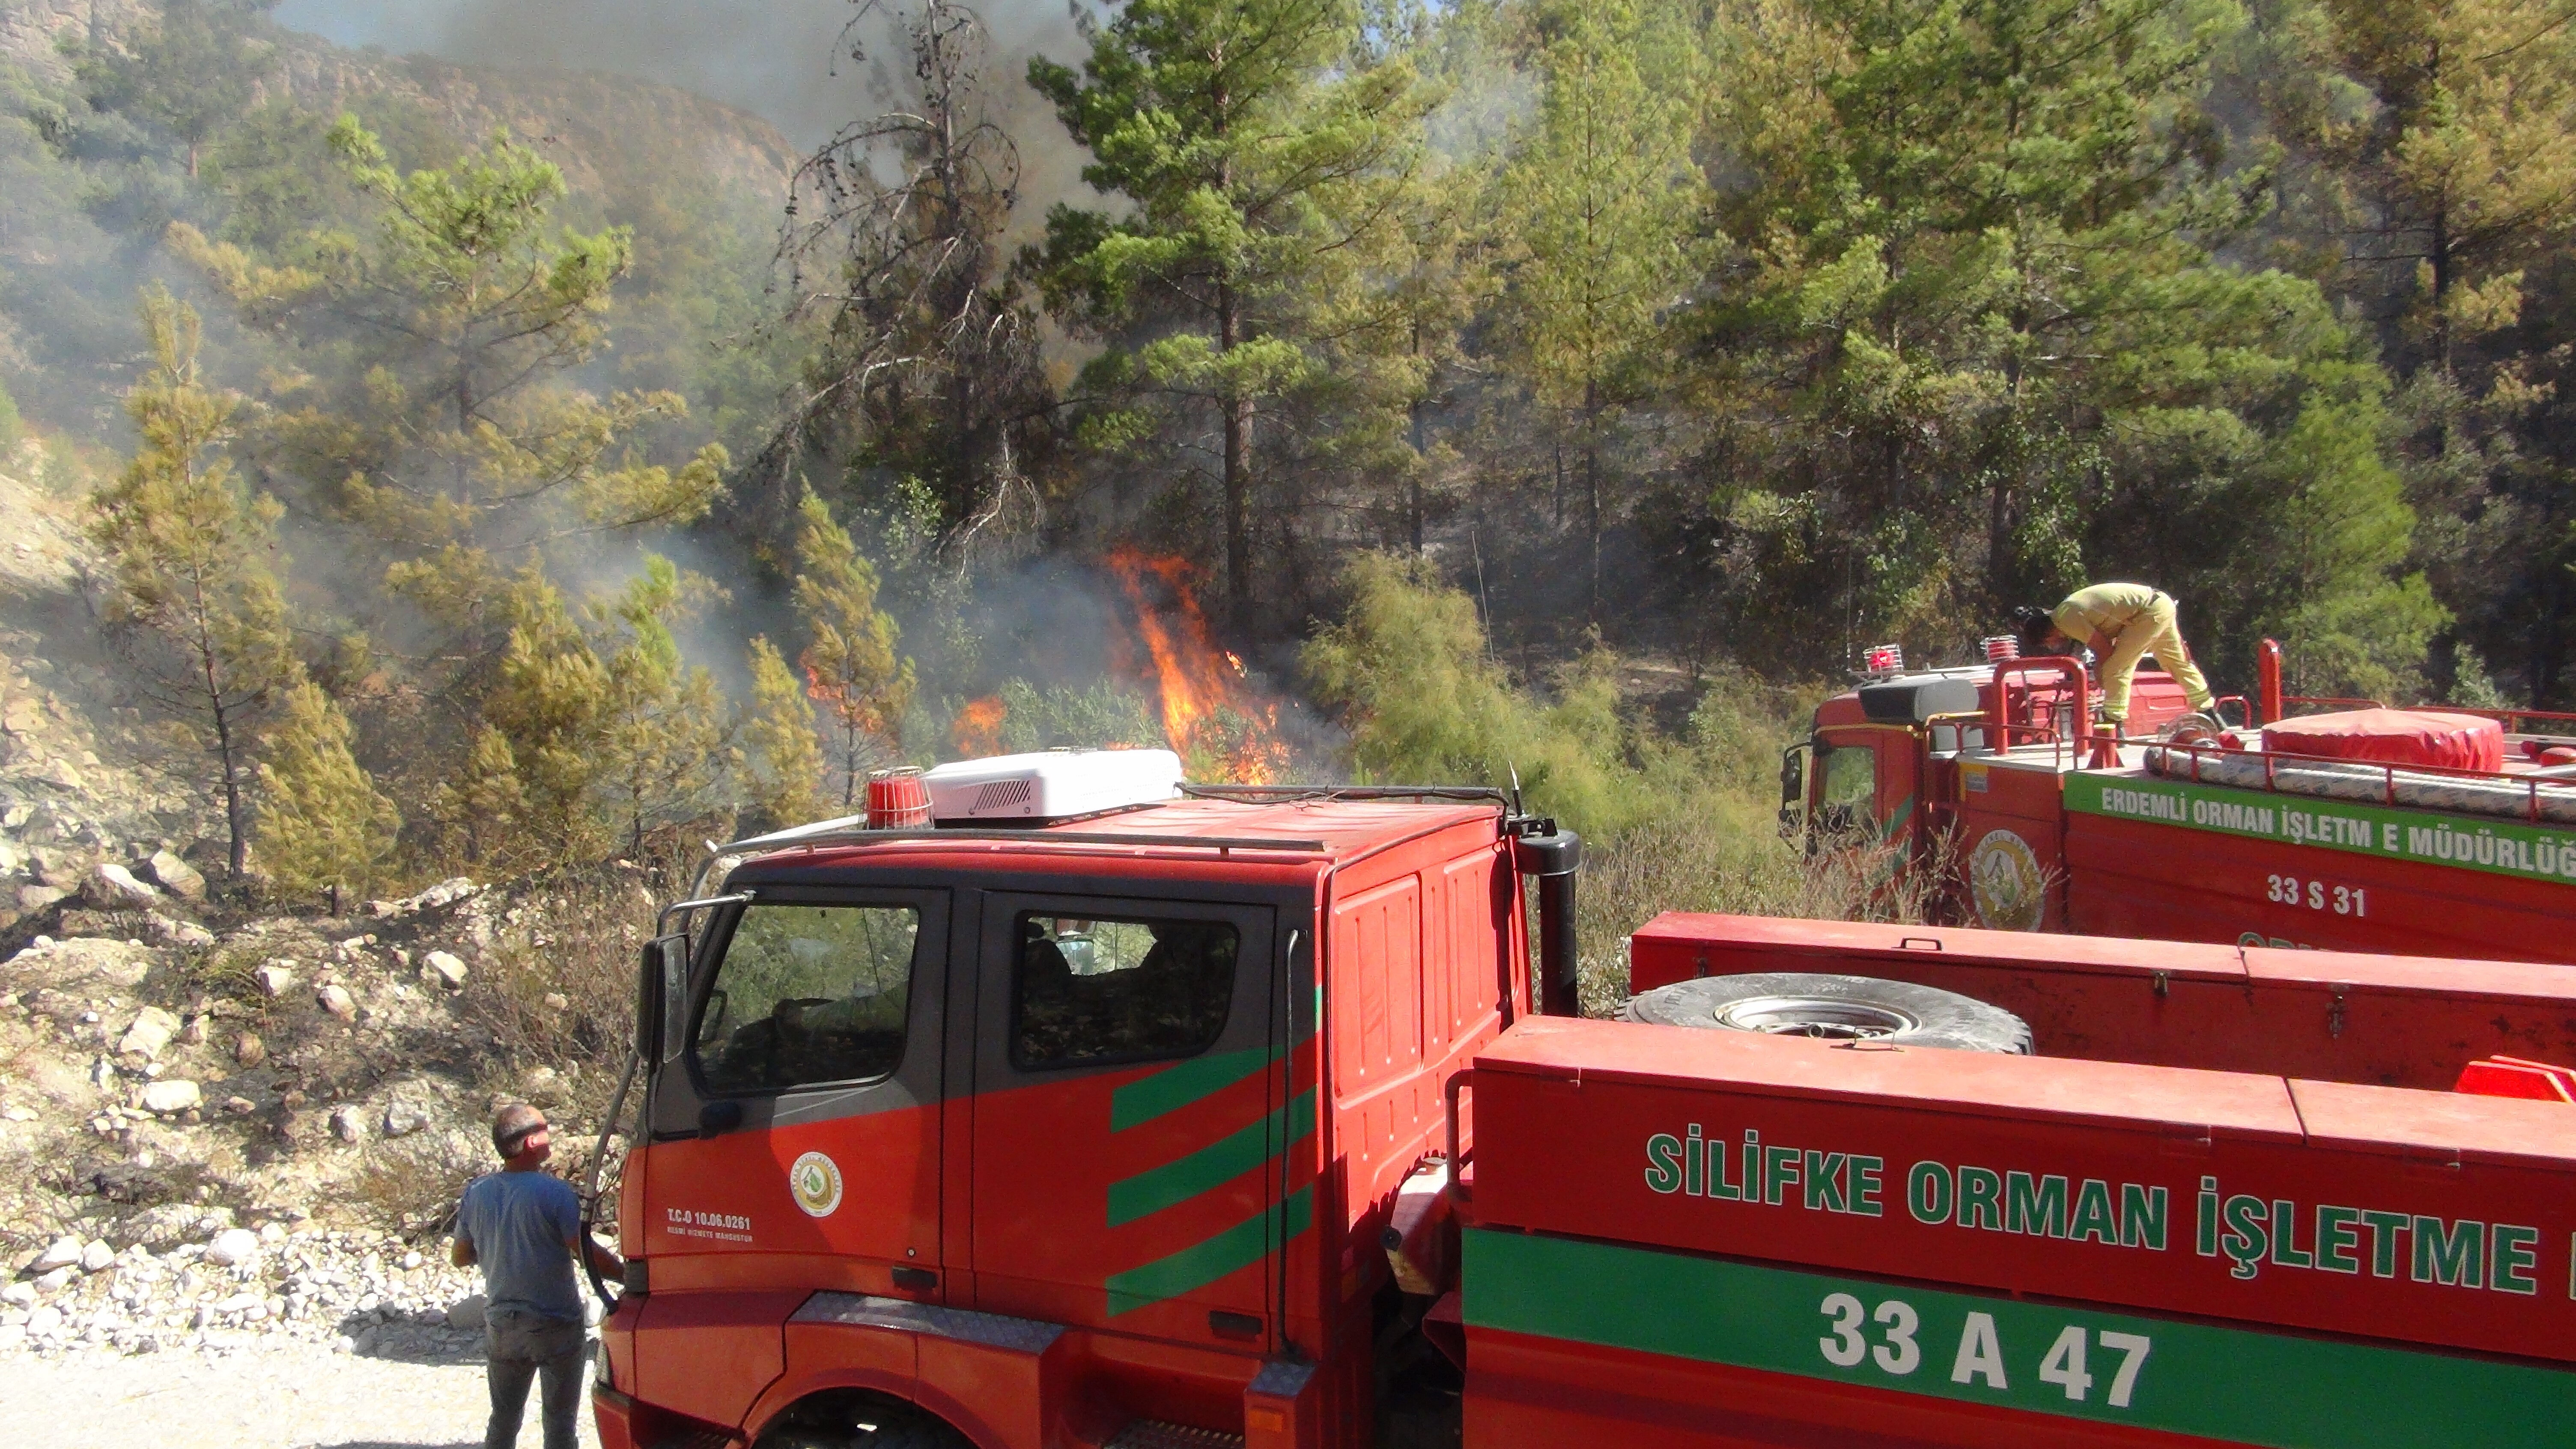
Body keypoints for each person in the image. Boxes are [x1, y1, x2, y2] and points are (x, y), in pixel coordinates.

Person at [451, 1103, 622, 1449]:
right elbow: (583, 1251)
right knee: (559, 1424)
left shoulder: (476, 1192)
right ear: (531, 1143)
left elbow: (460, 1257)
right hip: (555, 1322)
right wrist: (629, 1275)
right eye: (545, 1127)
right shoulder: (555, 1193)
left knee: (503, 1420)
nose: (550, 1133)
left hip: (502, 1323)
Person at [2012, 582, 2216, 732]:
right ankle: (2208, 710)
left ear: (2047, 634)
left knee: (2117, 669)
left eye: (2047, 643)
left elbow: (2104, 650)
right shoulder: (2064, 612)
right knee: (2174, 661)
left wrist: (2102, 676)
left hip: (2145, 614)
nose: (2052, 646)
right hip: (2160, 604)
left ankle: (2113, 723)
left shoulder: (2065, 620)